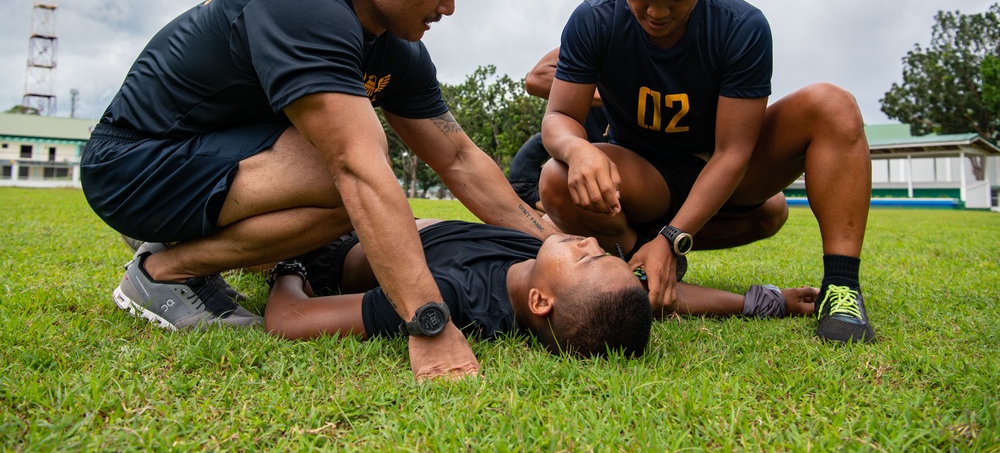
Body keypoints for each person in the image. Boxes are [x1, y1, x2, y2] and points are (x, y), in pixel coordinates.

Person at [80, 0, 554, 380]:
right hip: (131, 166)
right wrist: (429, 323)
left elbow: (458, 159)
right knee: (345, 175)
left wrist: (559, 243)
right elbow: (354, 166)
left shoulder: (397, 47)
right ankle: (163, 275)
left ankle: (179, 246)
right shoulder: (299, 2)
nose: (451, 6)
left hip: (209, 168)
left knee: (348, 179)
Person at [539, 0, 876, 344]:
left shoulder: (742, 26)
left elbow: (733, 151)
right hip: (643, 177)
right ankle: (636, 255)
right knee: (555, 179)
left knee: (832, 106)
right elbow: (559, 115)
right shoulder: (593, 20)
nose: (657, 13)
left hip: (725, 171)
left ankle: (842, 288)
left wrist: (672, 238)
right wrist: (578, 149)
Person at [264, 219, 818, 361]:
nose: (593, 241)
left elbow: (289, 321)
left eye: (588, 256)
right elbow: (665, 298)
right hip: (398, 222)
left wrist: (286, 264)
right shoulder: (542, 262)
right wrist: (761, 303)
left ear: (541, 302)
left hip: (332, 243)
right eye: (603, 252)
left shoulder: (447, 299)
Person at [509, 0, 730, 212]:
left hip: (683, 168)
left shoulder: (724, 41)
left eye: (681, 2)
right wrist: (618, 90)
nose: (663, 15)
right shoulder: (613, 30)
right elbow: (537, 78)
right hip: (629, 161)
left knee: (769, 208)